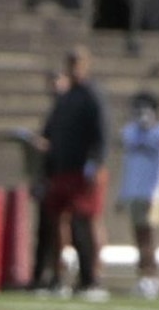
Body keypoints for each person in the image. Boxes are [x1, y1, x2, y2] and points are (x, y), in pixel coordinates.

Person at [32, 49, 106, 294]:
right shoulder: (66, 97)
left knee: (81, 222)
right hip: (61, 169)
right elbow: (52, 131)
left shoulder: (90, 95)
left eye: (78, 63)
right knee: (56, 222)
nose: (74, 68)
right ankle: (58, 277)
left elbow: (101, 131)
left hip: (81, 169)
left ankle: (90, 279)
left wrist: (96, 162)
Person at [116, 84, 159, 296]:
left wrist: (157, 192)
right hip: (134, 191)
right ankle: (142, 275)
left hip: (150, 193)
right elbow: (127, 165)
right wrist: (123, 194)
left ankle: (152, 276)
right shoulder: (131, 132)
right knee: (138, 236)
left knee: (148, 236)